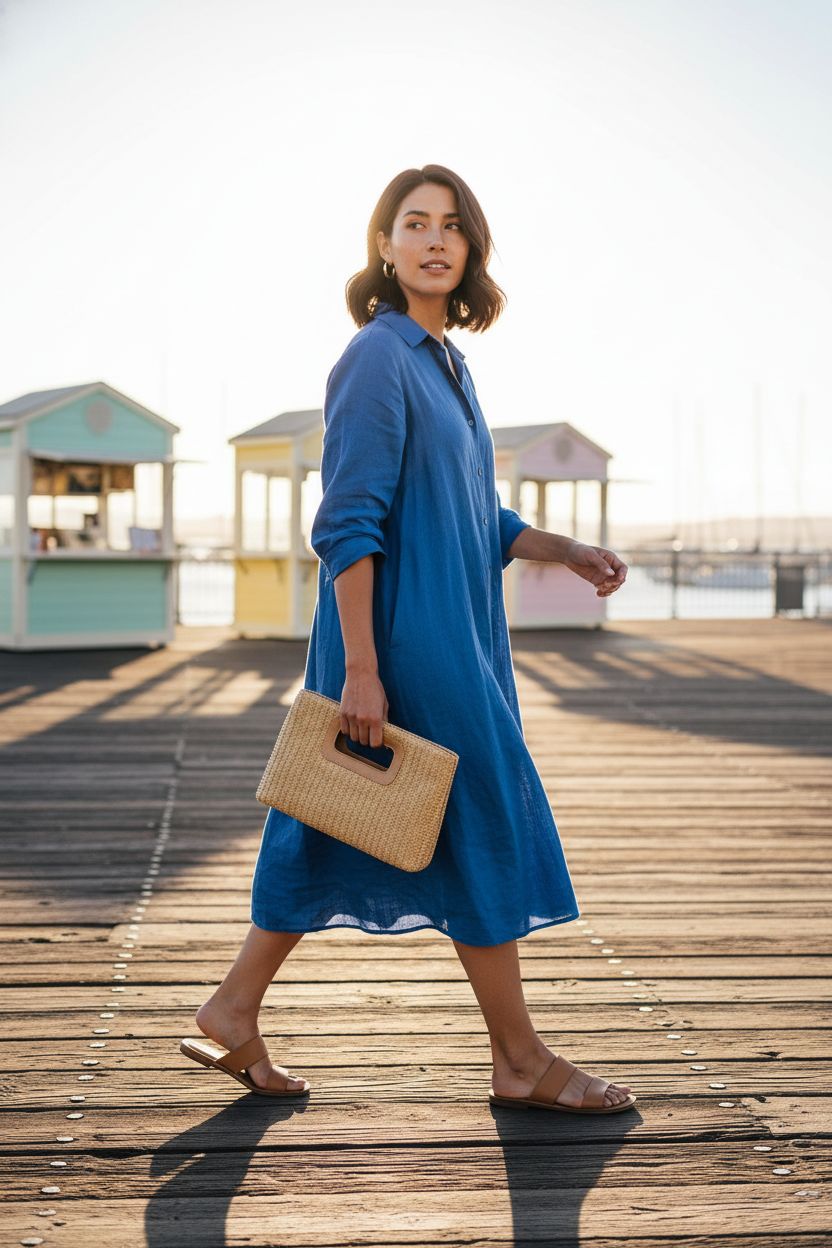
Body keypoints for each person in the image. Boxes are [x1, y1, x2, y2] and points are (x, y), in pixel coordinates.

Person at [183, 164, 634, 1115]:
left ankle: (233, 1008)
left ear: (472, 248)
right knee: (482, 818)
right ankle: (520, 1059)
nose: (435, 239)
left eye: (452, 225)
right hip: (403, 644)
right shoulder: (377, 356)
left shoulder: (449, 366)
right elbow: (349, 523)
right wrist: (362, 669)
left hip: (456, 638)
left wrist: (563, 548)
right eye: (415, 223)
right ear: (384, 246)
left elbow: (473, 514)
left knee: (328, 819)